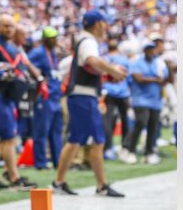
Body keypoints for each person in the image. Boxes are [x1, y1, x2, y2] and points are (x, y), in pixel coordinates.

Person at [53, 10, 129, 197]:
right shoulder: (88, 41)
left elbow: (88, 67)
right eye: (104, 23)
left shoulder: (85, 40)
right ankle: (98, 185)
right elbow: (91, 60)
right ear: (98, 24)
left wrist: (107, 76)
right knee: (94, 140)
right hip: (83, 98)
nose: (106, 27)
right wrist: (113, 70)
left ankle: (61, 182)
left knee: (79, 140)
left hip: (82, 96)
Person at [0, 14, 36, 191]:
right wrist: (1, 74)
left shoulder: (11, 47)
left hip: (6, 96)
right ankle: (13, 177)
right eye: (5, 26)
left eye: (11, 26)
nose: (9, 29)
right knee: (8, 137)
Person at [28, 27, 65, 169]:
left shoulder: (53, 54)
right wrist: (38, 78)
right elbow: (26, 65)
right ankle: (41, 162)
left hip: (55, 96)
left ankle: (58, 161)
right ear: (45, 39)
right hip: (44, 97)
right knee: (41, 131)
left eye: (56, 37)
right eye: (52, 38)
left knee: (56, 131)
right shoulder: (38, 53)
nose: (55, 40)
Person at [127, 41, 169, 164]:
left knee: (153, 126)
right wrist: (156, 79)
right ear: (144, 51)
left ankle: (149, 152)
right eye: (148, 49)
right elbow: (138, 78)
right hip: (140, 99)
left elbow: (166, 79)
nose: (151, 51)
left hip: (155, 100)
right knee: (141, 122)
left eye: (152, 49)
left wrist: (168, 68)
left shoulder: (159, 63)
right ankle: (130, 150)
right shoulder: (137, 63)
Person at [101, 36, 133, 159]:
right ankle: (125, 146)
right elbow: (129, 78)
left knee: (108, 121)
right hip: (123, 93)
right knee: (125, 120)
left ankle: (108, 148)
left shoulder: (104, 59)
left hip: (108, 92)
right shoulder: (124, 60)